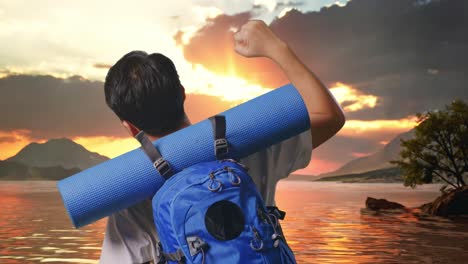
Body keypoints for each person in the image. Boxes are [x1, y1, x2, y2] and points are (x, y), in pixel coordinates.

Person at [100, 20, 345, 264]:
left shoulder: (131, 194)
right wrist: (276, 48)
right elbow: (329, 116)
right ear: (183, 93)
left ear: (130, 127)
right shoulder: (249, 147)